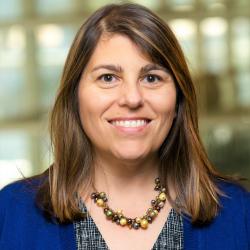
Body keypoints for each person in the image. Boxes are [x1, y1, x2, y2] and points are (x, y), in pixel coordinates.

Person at [0, 3, 249, 250]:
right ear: (75, 97)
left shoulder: (238, 213)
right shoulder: (12, 213)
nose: (132, 98)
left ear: (178, 101)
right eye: (108, 78)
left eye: (152, 78)